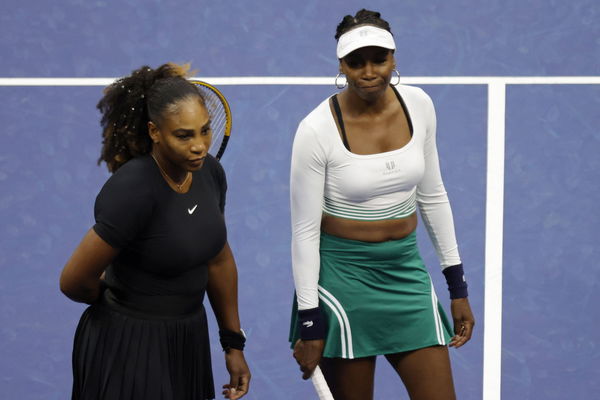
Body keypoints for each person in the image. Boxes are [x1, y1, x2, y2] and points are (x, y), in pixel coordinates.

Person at [289, 9, 475, 400]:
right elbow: (305, 232)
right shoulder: (315, 130)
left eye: (379, 59)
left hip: (405, 271)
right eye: (356, 62)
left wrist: (457, 288)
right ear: (342, 65)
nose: (369, 71)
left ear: (394, 58)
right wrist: (310, 322)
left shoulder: (420, 105)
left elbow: (433, 195)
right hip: (343, 280)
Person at [60, 63, 250, 400]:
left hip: (187, 336)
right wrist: (126, 305)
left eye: (205, 131)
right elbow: (74, 281)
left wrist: (233, 343)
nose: (200, 146)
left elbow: (218, 259)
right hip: (129, 343)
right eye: (184, 135)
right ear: (154, 131)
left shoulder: (211, 174)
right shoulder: (133, 190)